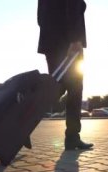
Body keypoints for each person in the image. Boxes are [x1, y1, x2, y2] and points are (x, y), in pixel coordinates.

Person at [37, 0, 93, 150]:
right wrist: (75, 40)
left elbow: (40, 18)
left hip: (50, 43)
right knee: (74, 90)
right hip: (68, 44)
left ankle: (17, 122)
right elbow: (73, 7)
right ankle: (72, 137)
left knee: (56, 87)